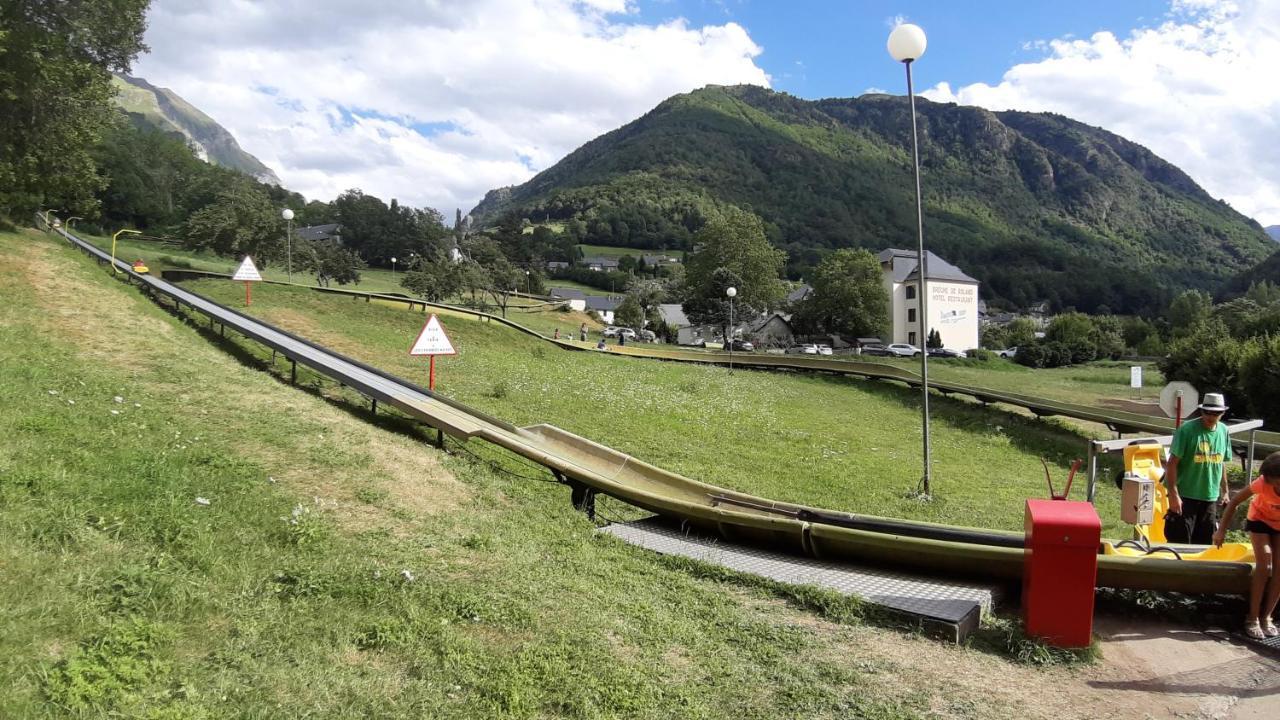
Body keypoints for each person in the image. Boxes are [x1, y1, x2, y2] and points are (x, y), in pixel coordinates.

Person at [1214, 451, 1280, 639]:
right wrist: (1221, 531)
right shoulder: (1262, 483)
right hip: (1259, 520)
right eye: (1271, 481)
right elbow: (1234, 501)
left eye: (1276, 482)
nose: (1273, 485)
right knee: (1265, 563)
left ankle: (1267, 617)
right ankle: (1252, 618)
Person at [1163, 392, 1232, 545]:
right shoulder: (1186, 430)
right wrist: (1173, 494)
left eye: (1216, 413)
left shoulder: (1224, 431)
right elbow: (1172, 463)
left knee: (1204, 544)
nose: (1211, 416)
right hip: (1185, 496)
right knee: (1180, 540)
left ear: (1222, 413)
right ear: (1201, 411)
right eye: (1207, 412)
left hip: (1210, 498)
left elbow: (1222, 462)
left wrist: (1225, 491)